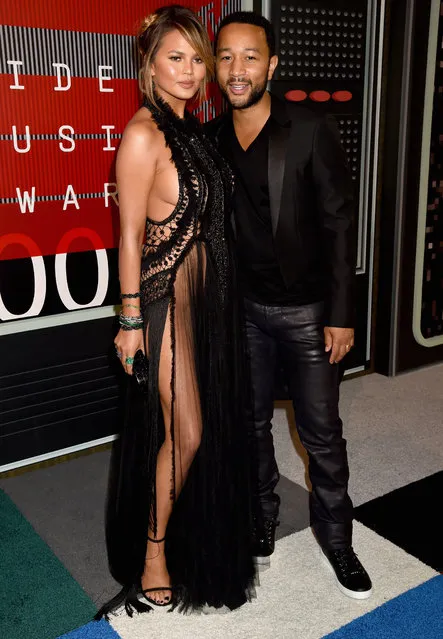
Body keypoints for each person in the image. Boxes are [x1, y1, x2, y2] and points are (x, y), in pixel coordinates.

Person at [206, 11, 373, 599]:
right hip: (243, 313)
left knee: (321, 432)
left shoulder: (307, 127)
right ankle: (261, 520)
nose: (237, 69)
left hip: (308, 311)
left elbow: (338, 222)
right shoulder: (211, 138)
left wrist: (342, 313)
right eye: (225, 56)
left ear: (272, 64)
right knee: (250, 427)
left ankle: (338, 536)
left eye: (250, 56)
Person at [96, 5, 255, 618]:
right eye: (175, 58)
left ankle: (177, 536)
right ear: (148, 64)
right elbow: (130, 235)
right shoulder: (143, 133)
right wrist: (130, 321)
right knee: (186, 434)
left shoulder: (192, 128)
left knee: (202, 432)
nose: (190, 71)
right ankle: (153, 553)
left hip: (207, 311)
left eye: (196, 58)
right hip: (164, 307)